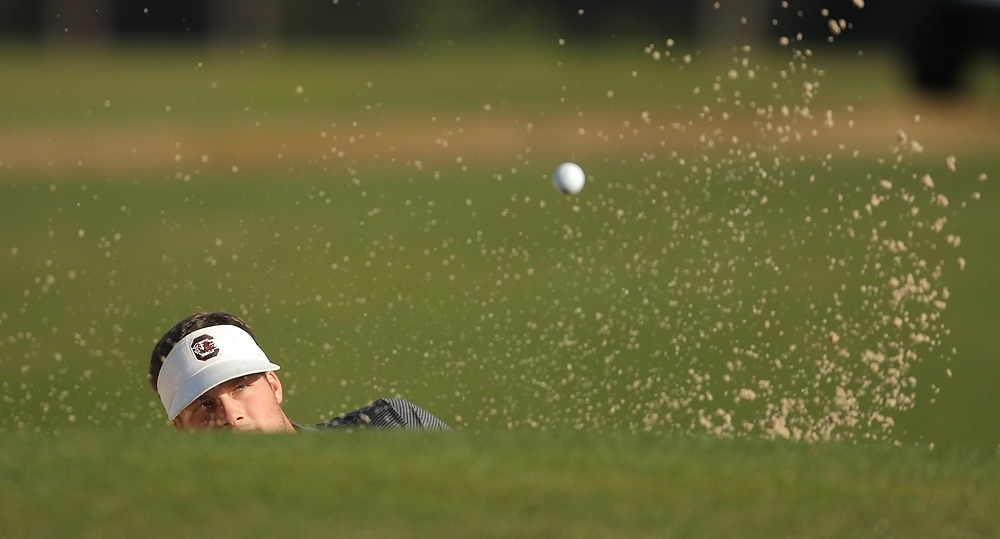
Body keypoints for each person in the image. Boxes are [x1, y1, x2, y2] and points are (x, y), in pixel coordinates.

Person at [148, 311, 450, 432]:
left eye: (240, 386)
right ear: (180, 426)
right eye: (204, 404)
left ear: (274, 385)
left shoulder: (391, 428)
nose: (230, 415)